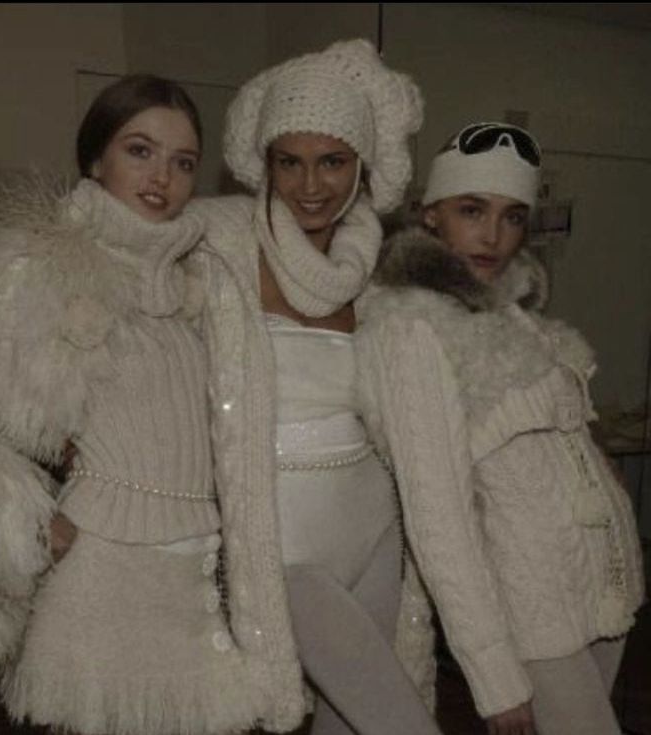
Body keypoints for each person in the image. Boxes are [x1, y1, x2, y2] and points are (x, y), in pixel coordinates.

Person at [0, 74, 265, 735]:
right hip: (97, 586)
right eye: (140, 150)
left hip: (196, 581)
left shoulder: (204, 287)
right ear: (94, 158)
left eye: (183, 161)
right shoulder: (40, 265)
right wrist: (22, 517)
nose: (162, 176)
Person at [355, 122, 646, 735]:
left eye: (513, 217)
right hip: (532, 610)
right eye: (471, 210)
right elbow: (438, 517)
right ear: (430, 215)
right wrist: (492, 673)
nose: (493, 236)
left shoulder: (514, 314)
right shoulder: (408, 327)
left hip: (598, 586)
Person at [187, 39, 442, 735]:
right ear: (262, 164)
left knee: (352, 723)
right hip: (277, 534)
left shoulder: (385, 273)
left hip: (373, 525)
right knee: (402, 722)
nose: (310, 185)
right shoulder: (215, 244)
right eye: (289, 161)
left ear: (362, 165)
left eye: (332, 160)